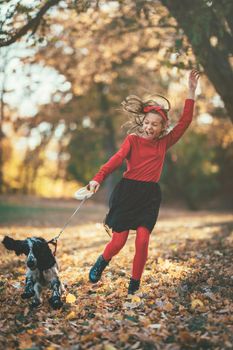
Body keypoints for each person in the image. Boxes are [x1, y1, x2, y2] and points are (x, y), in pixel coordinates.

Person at [87, 69, 200, 295]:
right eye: (147, 123)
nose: (149, 127)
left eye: (155, 125)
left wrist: (191, 90)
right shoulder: (132, 140)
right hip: (127, 193)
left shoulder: (163, 143)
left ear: (162, 128)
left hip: (149, 196)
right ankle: (102, 260)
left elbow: (185, 121)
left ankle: (134, 284)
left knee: (142, 240)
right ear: (143, 123)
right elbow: (116, 160)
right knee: (118, 242)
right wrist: (97, 178)